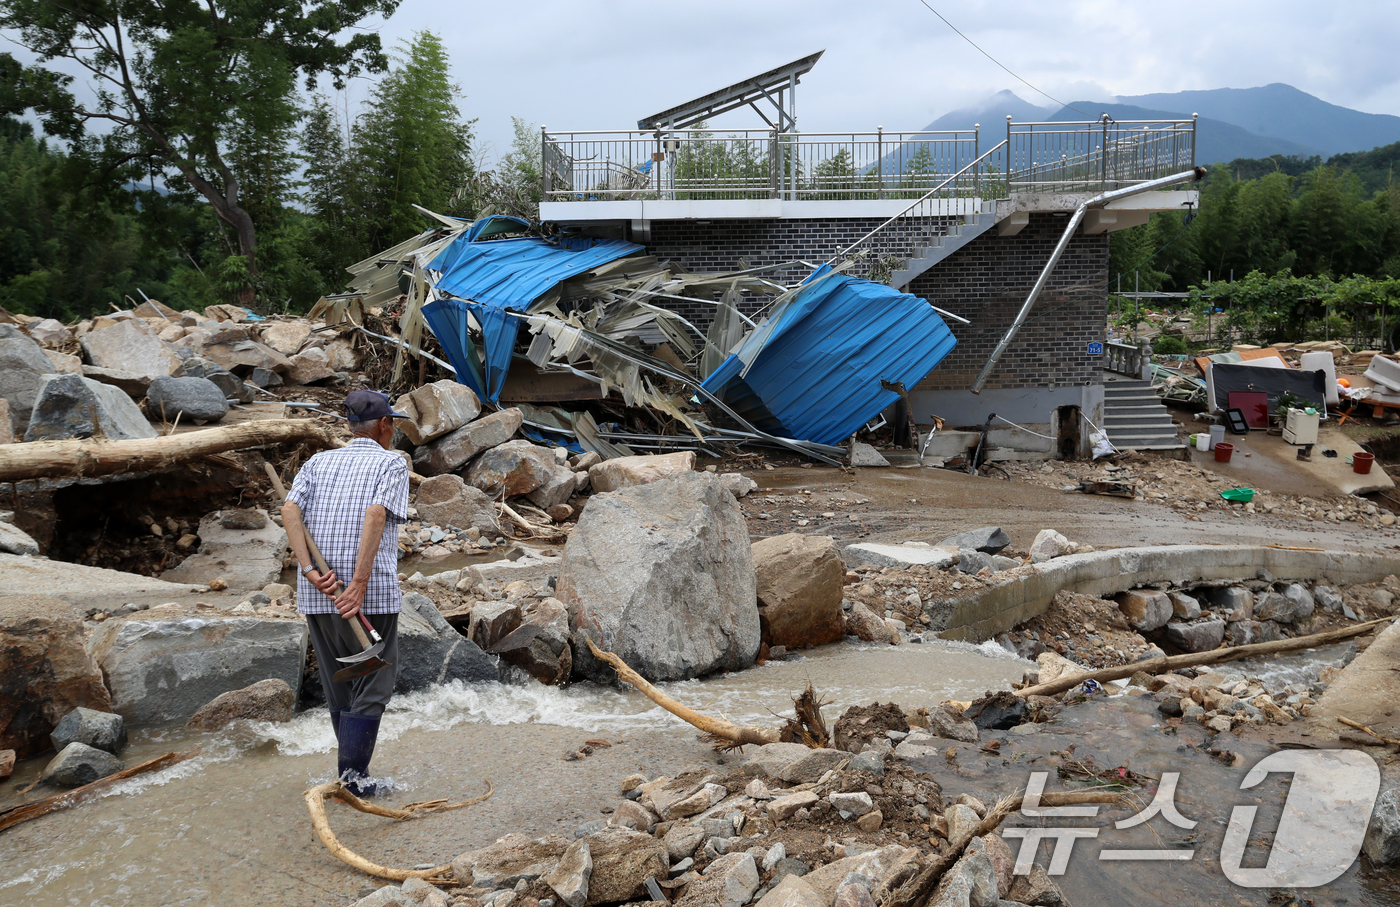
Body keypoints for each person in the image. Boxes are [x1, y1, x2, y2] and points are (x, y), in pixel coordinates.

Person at [282, 389, 410, 795]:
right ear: (384, 425)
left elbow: (289, 510)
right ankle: (354, 782)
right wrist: (357, 584)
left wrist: (307, 570)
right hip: (367, 597)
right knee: (373, 684)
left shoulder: (318, 462)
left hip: (318, 594)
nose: (393, 431)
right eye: (393, 423)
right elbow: (376, 513)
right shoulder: (392, 462)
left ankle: (348, 774)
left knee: (340, 684)